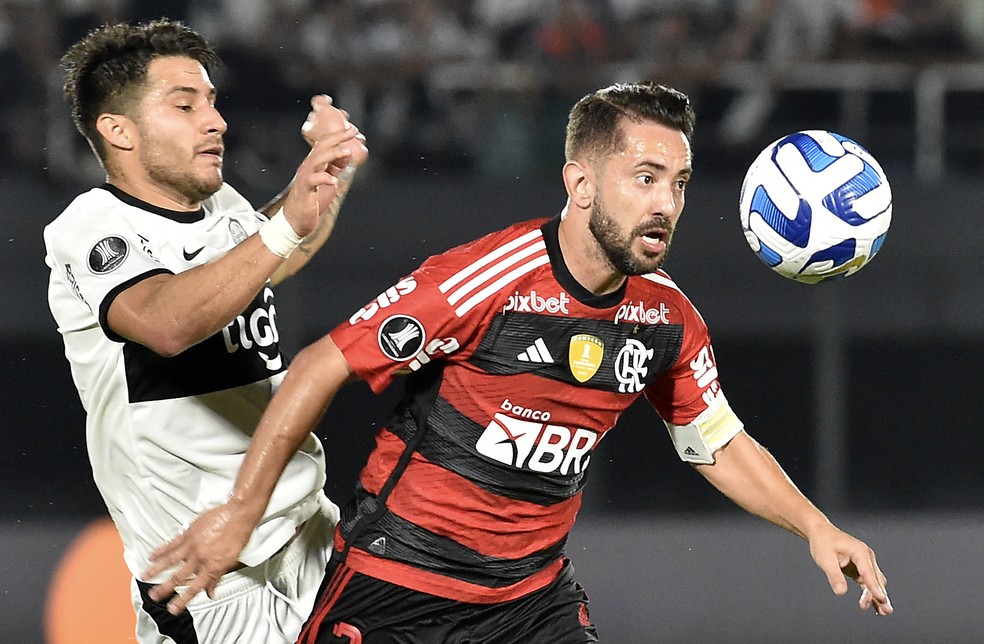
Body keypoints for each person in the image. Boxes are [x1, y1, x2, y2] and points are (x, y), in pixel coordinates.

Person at [144, 81, 892, 643]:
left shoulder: (669, 318)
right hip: (399, 587)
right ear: (580, 183)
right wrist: (239, 517)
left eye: (680, 183)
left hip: (530, 606)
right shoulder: (484, 279)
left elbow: (715, 441)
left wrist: (816, 527)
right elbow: (318, 366)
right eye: (645, 177)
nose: (666, 202)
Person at [43, 18, 368, 644]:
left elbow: (273, 257)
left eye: (213, 103)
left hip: (312, 536)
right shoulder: (90, 227)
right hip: (212, 582)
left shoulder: (216, 205)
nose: (215, 121)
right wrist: (283, 226)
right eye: (185, 105)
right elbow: (165, 323)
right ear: (118, 130)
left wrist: (328, 175)